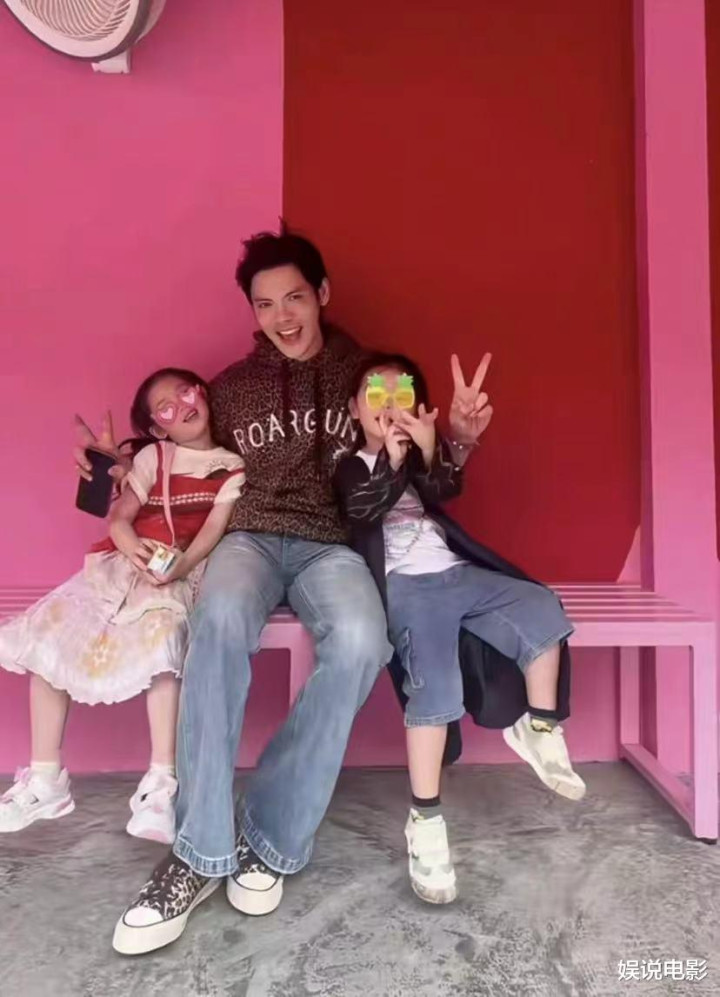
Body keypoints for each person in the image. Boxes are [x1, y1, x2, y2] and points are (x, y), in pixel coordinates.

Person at [72, 228, 490, 955]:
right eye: (265, 304)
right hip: (249, 538)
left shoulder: (370, 375)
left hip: (333, 545)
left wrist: (459, 439)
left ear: (322, 294)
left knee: (361, 641)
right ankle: (198, 852)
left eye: (295, 297)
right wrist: (111, 467)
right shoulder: (232, 387)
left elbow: (419, 461)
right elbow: (178, 446)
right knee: (218, 623)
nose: (282, 316)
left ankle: (268, 831)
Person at [334, 353, 585, 905]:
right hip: (405, 588)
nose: (389, 405)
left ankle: (540, 727)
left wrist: (429, 449)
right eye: (376, 394)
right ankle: (425, 821)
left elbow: (445, 488)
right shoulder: (352, 465)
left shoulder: (420, 455)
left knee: (540, 607)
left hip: (455, 573)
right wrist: (392, 457)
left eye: (402, 395)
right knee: (435, 686)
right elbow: (362, 510)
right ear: (354, 408)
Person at [0, 368, 244, 844]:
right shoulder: (155, 456)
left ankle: (162, 783)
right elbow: (119, 518)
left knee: (166, 647)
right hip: (123, 567)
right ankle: (46, 778)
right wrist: (131, 547)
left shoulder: (231, 466)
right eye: (166, 408)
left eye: (186, 393)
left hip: (178, 573)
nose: (182, 407)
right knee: (51, 636)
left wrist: (179, 567)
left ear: (203, 394)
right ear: (157, 428)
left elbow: (214, 529)